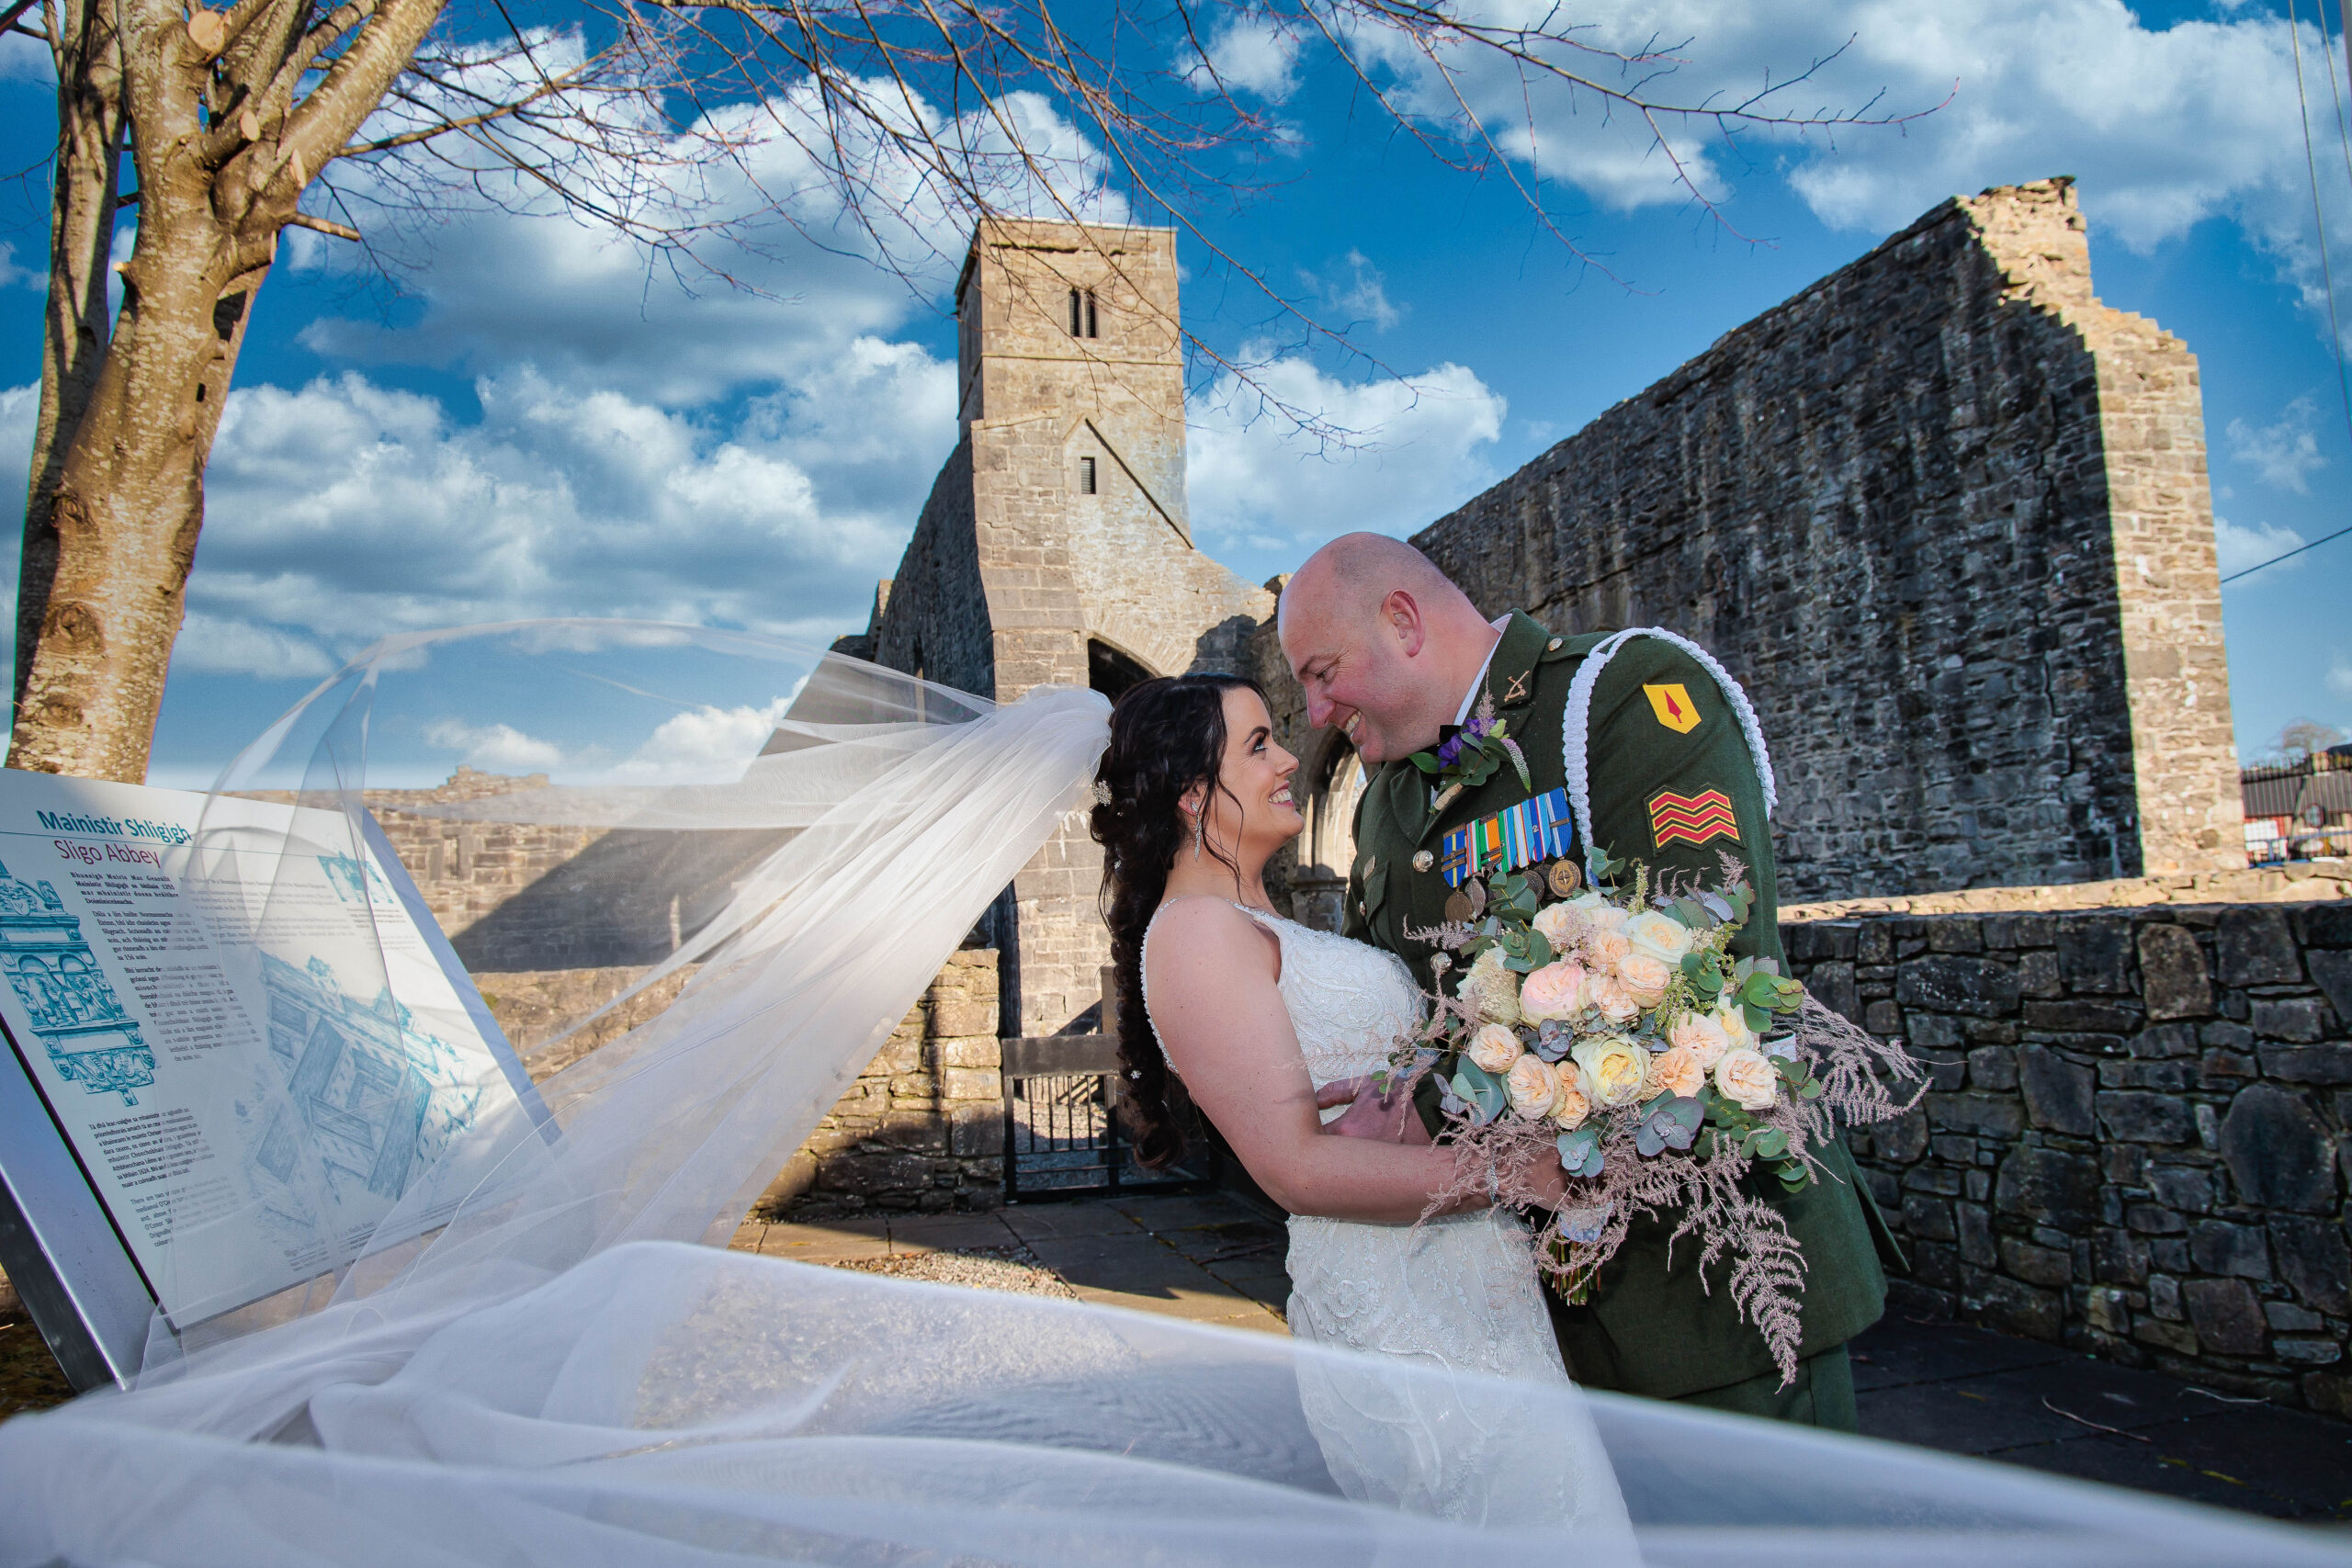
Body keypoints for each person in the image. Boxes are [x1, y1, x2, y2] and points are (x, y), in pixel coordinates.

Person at [1277, 532, 1901, 1429]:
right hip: (1506, 1327)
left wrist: (1425, 1102)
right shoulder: (1387, 805)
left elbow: (1698, 964)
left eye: (1322, 671)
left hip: (1703, 1301)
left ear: (1404, 622)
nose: (1314, 709)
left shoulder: (1622, 698)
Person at [1091, 672, 1627, 1528]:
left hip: (1460, 1281)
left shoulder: (1261, 920)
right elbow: (1296, 1168)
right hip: (1398, 1309)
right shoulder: (1195, 934)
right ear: (1195, 795)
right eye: (1259, 744)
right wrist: (1518, 1174)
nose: (1290, 758)